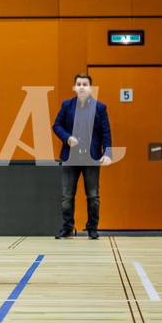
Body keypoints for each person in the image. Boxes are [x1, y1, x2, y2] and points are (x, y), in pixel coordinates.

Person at [53, 73, 113, 240]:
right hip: (70, 157)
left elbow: (105, 132)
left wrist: (108, 153)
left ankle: (92, 229)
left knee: (93, 195)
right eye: (78, 84)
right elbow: (56, 125)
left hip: (91, 158)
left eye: (84, 84)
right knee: (67, 196)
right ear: (74, 87)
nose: (81, 87)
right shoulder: (67, 106)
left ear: (90, 88)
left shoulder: (100, 107)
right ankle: (67, 229)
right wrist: (67, 137)